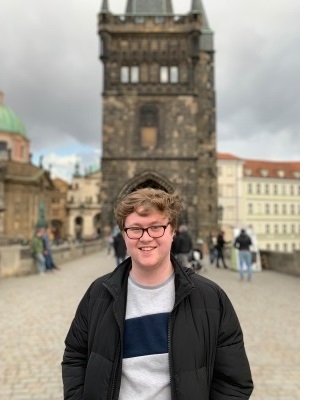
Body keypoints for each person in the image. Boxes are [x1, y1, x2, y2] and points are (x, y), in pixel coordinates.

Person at [62, 187, 253, 400]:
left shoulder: (210, 298)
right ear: (123, 235)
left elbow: (234, 382)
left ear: (172, 231)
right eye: (135, 229)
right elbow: (75, 357)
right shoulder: (98, 294)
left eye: (156, 227)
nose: (145, 238)